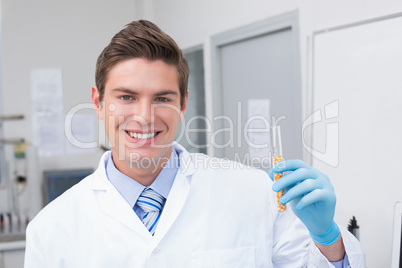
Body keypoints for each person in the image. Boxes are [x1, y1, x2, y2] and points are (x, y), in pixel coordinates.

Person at [24, 20, 365, 267]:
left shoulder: (253, 192)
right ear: (98, 102)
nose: (144, 116)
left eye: (162, 98)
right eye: (126, 96)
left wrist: (327, 238)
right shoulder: (52, 229)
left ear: (183, 103)